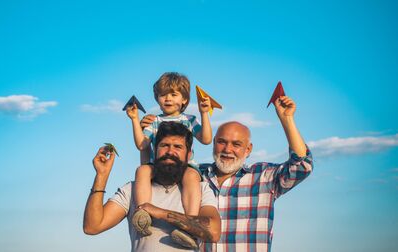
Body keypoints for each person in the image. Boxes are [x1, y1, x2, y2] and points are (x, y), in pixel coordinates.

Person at [141, 95, 313, 251]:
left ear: (248, 149)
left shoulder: (263, 176)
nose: (227, 149)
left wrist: (287, 119)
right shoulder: (193, 176)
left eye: (236, 144)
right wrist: (152, 128)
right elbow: (160, 165)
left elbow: (302, 166)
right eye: (221, 142)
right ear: (214, 143)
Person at [83, 122, 221, 251]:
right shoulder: (133, 190)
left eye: (178, 147)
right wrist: (102, 175)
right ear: (155, 151)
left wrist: (160, 213)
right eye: (164, 145)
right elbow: (92, 226)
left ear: (188, 155)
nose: (170, 151)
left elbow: (214, 232)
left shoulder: (201, 189)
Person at [125, 72, 212, 229]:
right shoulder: (155, 121)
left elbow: (205, 139)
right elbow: (141, 144)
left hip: (185, 166)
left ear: (184, 99)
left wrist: (204, 113)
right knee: (142, 170)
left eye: (173, 94)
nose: (168, 99)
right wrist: (134, 120)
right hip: (160, 166)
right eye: (163, 94)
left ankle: (190, 222)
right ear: (157, 98)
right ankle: (143, 213)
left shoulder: (190, 120)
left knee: (192, 176)